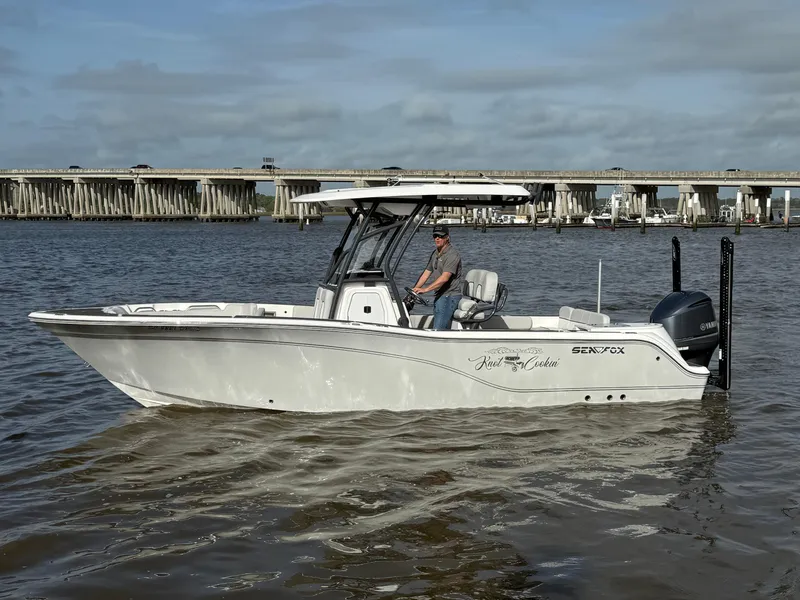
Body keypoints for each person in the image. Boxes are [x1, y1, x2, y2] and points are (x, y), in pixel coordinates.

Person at [412, 224, 464, 330]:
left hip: (449, 296)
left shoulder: (452, 255)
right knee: (438, 326)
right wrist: (414, 290)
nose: (437, 238)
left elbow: (445, 278)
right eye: (435, 236)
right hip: (439, 295)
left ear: (447, 237)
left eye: (440, 236)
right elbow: (427, 272)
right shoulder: (435, 253)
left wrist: (425, 289)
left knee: (438, 329)